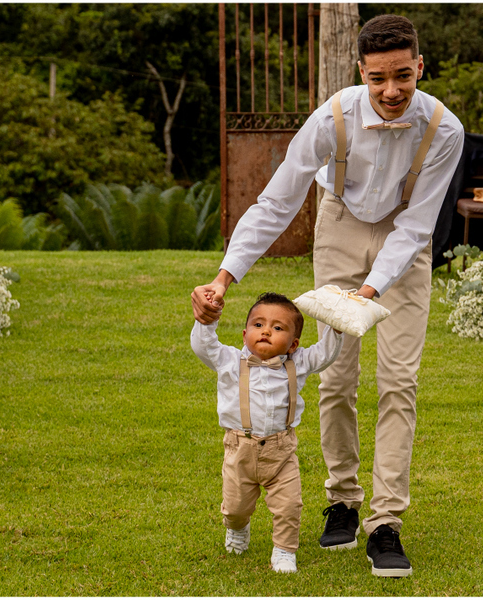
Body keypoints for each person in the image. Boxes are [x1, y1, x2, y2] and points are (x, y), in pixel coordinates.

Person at [191, 14, 464, 578]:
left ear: (420, 68)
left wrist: (364, 295)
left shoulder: (445, 129)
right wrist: (224, 278)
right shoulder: (331, 118)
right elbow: (277, 202)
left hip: (404, 240)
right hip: (339, 224)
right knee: (335, 377)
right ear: (359, 71)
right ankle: (343, 500)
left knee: (399, 380)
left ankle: (385, 523)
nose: (392, 91)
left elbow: (416, 228)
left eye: (404, 77)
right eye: (379, 77)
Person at [191, 292, 344, 573]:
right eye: (259, 325)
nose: (266, 332)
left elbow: (325, 353)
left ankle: (284, 550)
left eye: (277, 328)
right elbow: (204, 346)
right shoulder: (229, 360)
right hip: (240, 449)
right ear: (245, 332)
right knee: (236, 508)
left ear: (294, 343)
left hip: (281, 451)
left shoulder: (297, 362)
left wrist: (335, 328)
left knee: (289, 506)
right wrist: (207, 320)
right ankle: (238, 528)